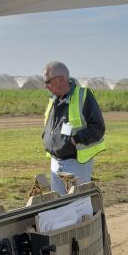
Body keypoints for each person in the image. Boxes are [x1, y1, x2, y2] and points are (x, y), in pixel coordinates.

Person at [42, 61, 106, 194]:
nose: (45, 86)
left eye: (48, 82)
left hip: (75, 163)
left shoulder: (83, 96)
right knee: (58, 204)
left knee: (77, 204)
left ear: (60, 80)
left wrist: (75, 139)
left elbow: (98, 128)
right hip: (55, 161)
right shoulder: (53, 99)